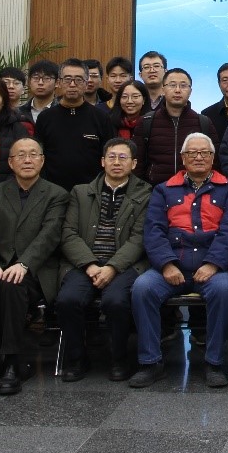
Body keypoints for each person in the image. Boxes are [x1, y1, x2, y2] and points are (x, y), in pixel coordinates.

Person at [129, 133, 228, 389]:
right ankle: (150, 362)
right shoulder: (163, 190)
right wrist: (166, 264)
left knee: (224, 290)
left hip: (212, 266)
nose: (198, 157)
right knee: (142, 288)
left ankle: (214, 362)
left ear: (213, 157)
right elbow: (154, 230)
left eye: (204, 152)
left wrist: (213, 264)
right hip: (172, 264)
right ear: (183, 158)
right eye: (192, 152)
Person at [0, 138, 68, 397]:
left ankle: (13, 362)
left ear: (42, 161)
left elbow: (50, 235)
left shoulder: (56, 194)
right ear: (10, 163)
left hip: (37, 270)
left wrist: (24, 264)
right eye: (20, 155)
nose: (27, 160)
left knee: (13, 286)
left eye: (33, 154)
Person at [55, 137, 152, 383]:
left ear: (133, 163)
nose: (117, 162)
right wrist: (90, 265)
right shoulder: (80, 192)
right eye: (112, 157)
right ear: (102, 161)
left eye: (123, 158)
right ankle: (77, 359)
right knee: (68, 300)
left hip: (125, 265)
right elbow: (68, 233)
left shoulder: (146, 193)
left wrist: (112, 267)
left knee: (116, 301)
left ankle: (119, 358)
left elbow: (140, 238)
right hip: (85, 264)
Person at [34, 58, 115, 190]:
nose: (72, 84)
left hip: (91, 191)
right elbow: (38, 155)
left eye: (78, 80)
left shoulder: (101, 117)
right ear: (59, 83)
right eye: (67, 79)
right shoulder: (45, 117)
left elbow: (108, 156)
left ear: (86, 83)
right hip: (52, 191)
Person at [137, 68, 219, 185]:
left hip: (193, 191)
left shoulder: (204, 122)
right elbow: (138, 164)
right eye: (172, 85)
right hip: (155, 190)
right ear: (163, 89)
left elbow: (215, 162)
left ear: (190, 91)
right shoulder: (146, 122)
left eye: (183, 86)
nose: (177, 90)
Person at [18, 60, 59, 124]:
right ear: (29, 82)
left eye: (46, 78)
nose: (40, 83)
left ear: (57, 83)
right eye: (36, 78)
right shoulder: (18, 112)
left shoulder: (63, 111)